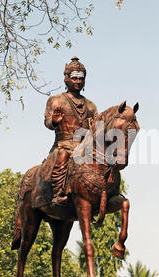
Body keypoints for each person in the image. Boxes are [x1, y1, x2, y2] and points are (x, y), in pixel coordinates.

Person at [41, 57, 98, 207]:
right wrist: (54, 120)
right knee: (62, 156)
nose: (78, 81)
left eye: (81, 78)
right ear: (66, 79)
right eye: (74, 78)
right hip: (63, 145)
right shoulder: (56, 100)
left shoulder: (91, 106)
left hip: (85, 149)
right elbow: (47, 122)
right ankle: (58, 193)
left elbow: (98, 129)